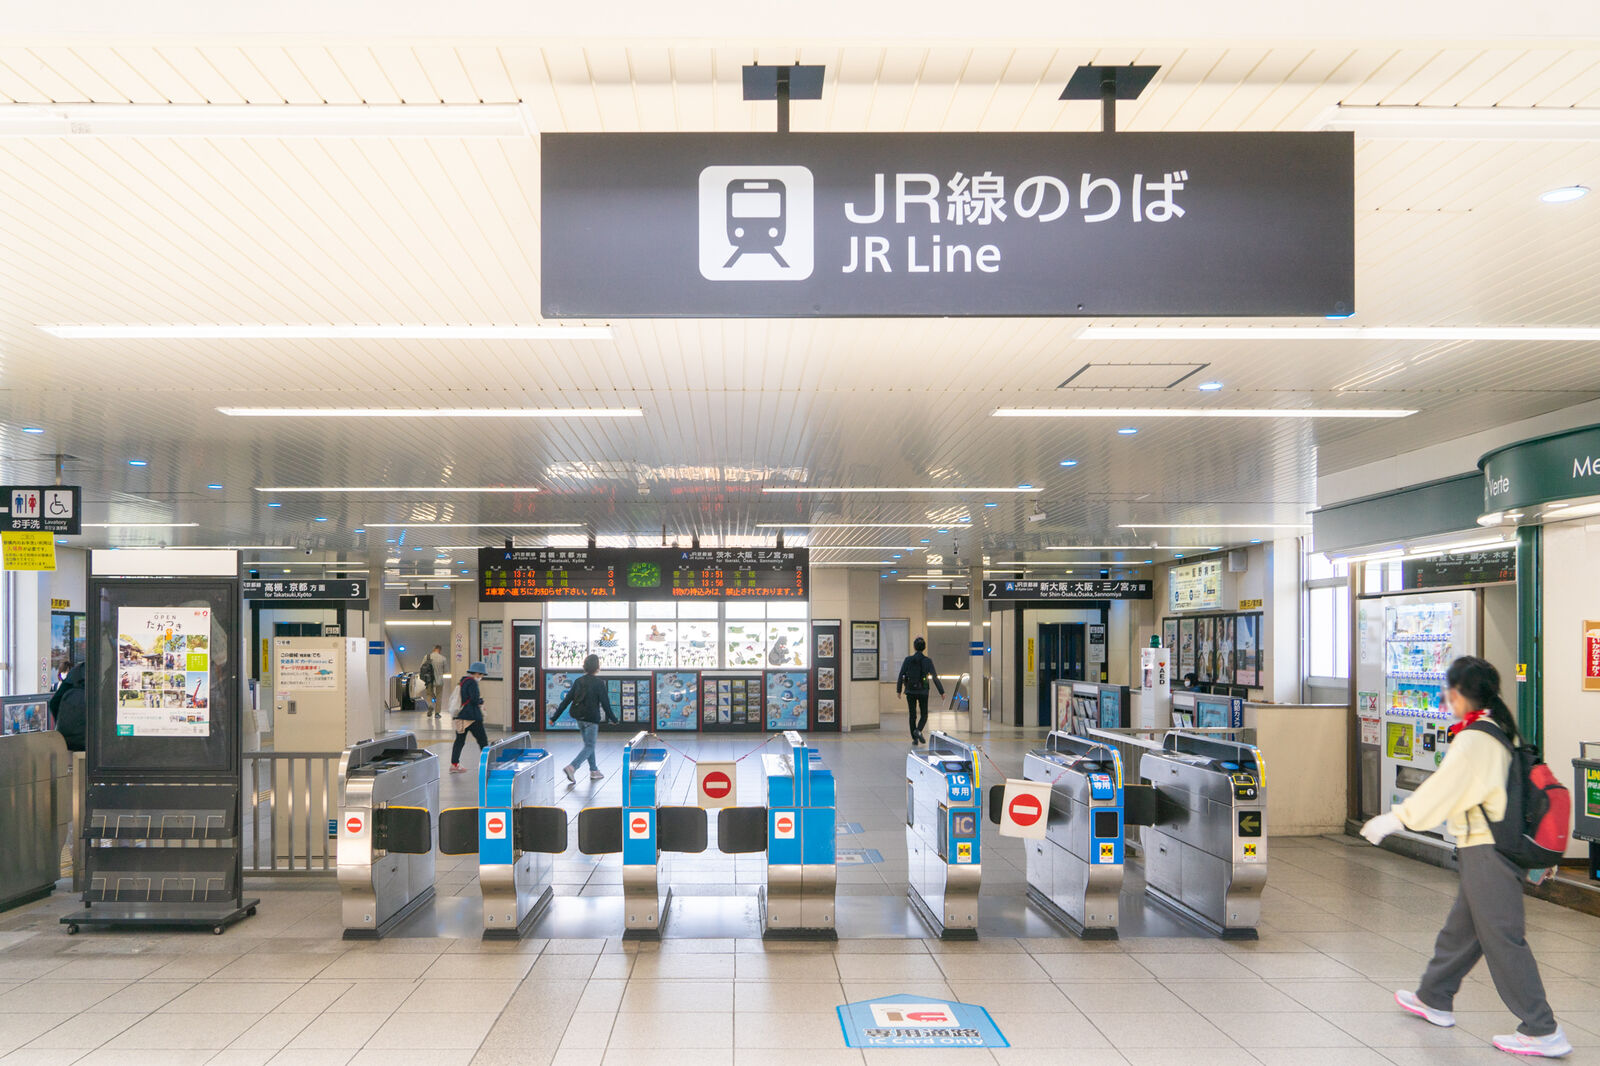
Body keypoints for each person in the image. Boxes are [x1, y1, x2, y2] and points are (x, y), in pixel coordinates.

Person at [1360, 656, 1569, 1059]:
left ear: (1456, 693)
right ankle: (1434, 996)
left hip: (1488, 852)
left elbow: (1444, 789)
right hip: (1485, 849)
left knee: (1503, 939)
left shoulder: (1475, 739)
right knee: (1463, 930)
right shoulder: (1497, 729)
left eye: (1447, 691)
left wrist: (1396, 818)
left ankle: (1543, 1029)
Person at [549, 653, 617, 782]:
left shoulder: (579, 681)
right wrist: (613, 719)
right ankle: (572, 767)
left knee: (588, 745)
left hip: (579, 718)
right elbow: (605, 703)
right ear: (597, 667)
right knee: (590, 746)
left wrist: (554, 718)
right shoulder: (599, 683)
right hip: (592, 719)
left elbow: (566, 700)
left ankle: (594, 770)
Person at [895, 637, 945, 745]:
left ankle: (915, 739)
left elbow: (901, 675)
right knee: (924, 714)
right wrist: (942, 692)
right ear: (924, 648)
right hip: (923, 691)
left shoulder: (908, 660)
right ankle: (918, 730)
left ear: (914, 647)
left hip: (910, 691)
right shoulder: (927, 661)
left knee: (912, 715)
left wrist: (899, 690)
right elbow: (935, 677)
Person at [448, 661, 489, 774]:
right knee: (483, 741)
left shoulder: (463, 681)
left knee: (460, 741)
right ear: (476, 673)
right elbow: (474, 699)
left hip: (460, 717)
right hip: (472, 717)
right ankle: (487, 764)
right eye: (481, 675)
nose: (481, 677)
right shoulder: (472, 683)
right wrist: (480, 701)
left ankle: (454, 764)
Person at [49, 661, 86, 752]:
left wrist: (62, 720)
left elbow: (54, 702)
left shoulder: (75, 673)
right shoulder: (102, 672)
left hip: (66, 739)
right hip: (91, 740)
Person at [421, 644, 448, 717]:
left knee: (429, 694)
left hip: (429, 680)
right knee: (439, 696)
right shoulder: (443, 658)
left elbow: (421, 668)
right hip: (439, 681)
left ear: (433, 649)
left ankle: (430, 705)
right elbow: (445, 671)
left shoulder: (427, 657)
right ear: (440, 650)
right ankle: (437, 713)